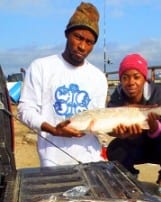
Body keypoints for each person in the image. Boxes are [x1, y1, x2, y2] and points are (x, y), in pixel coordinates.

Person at [18, 2, 108, 167]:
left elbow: (97, 120)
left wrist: (121, 131)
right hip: (53, 162)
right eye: (78, 37)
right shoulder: (41, 67)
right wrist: (53, 129)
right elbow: (25, 110)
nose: (82, 46)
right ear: (67, 34)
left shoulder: (98, 77)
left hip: (91, 159)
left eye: (89, 42)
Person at [107, 53, 161, 198]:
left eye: (136, 77)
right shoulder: (116, 96)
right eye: (125, 77)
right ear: (120, 80)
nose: (130, 82)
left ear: (145, 78)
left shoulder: (159, 92)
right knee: (113, 149)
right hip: (132, 145)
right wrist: (120, 134)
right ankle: (129, 176)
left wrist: (154, 127)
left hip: (157, 144)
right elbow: (109, 126)